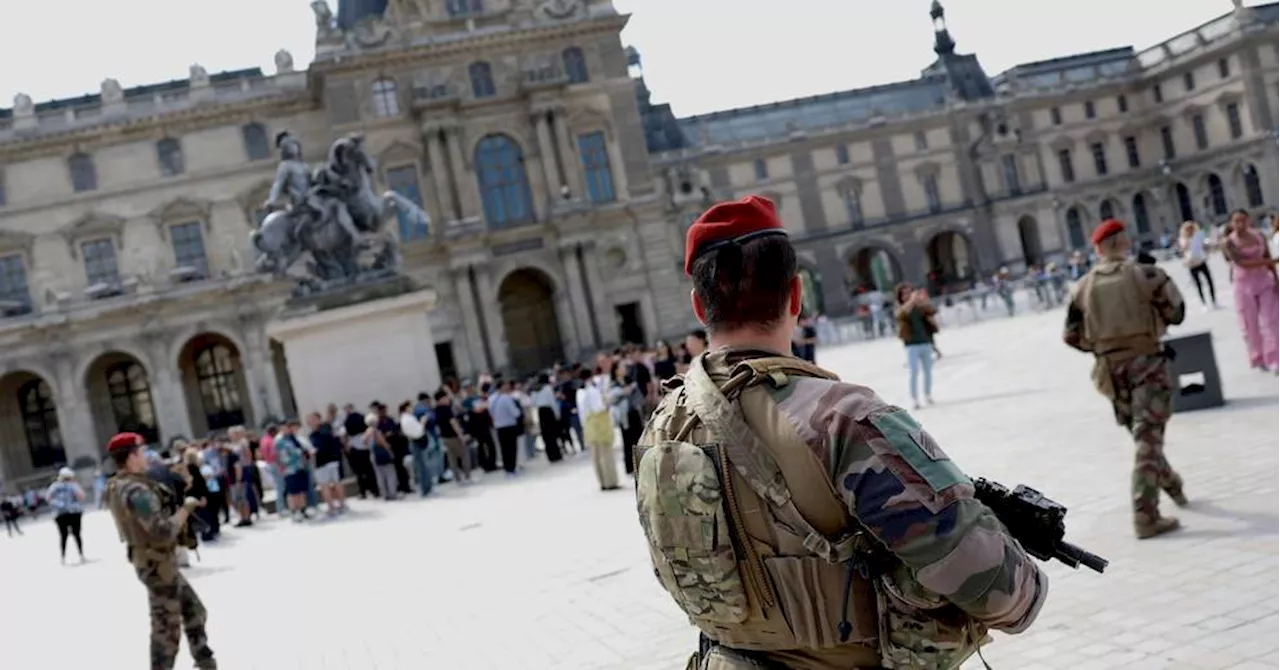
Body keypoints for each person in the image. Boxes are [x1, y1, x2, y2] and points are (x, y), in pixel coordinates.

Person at [634, 195, 1047, 669]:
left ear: (698, 306)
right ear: (796, 295)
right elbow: (1002, 594)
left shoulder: (664, 422)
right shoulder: (839, 417)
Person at [1064, 219, 1189, 539]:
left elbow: (1071, 335)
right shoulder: (1147, 274)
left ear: (1098, 249)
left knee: (1143, 437)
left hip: (1110, 371)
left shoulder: (1082, 287)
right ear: (1124, 243)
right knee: (1147, 437)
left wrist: (1102, 347)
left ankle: (1172, 483)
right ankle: (1145, 515)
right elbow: (1176, 312)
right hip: (1147, 362)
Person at [103, 433, 216, 670]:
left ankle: (205, 662)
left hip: (156, 562)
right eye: (141, 452)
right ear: (132, 457)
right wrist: (186, 509)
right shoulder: (136, 490)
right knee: (167, 632)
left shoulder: (120, 484)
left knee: (194, 610)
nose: (145, 457)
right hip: (157, 566)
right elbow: (162, 531)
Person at [1222, 209, 1280, 373]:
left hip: (1264, 281)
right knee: (1250, 324)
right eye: (1236, 221)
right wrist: (1271, 261)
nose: (1240, 224)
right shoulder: (1228, 242)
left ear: (1249, 221)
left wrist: (1276, 280)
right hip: (1243, 285)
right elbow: (1241, 263)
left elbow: (1267, 256)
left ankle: (1275, 357)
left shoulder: (1259, 236)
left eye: (1243, 220)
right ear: (1231, 223)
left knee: (1271, 320)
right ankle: (1257, 356)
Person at [896, 285, 939, 409]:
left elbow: (931, 311)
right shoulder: (902, 308)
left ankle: (927, 394)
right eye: (904, 294)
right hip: (911, 345)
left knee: (928, 371)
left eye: (910, 293)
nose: (908, 296)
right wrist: (912, 300)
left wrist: (923, 300)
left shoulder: (920, 307)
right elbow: (901, 314)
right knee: (914, 372)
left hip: (925, 341)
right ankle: (914, 398)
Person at [576, 367, 619, 491]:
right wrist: (608, 403)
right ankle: (610, 481)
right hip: (599, 423)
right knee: (605, 454)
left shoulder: (580, 392)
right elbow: (599, 407)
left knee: (595, 456)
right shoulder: (592, 391)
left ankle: (602, 481)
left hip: (588, 425)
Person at [307, 412, 347, 515]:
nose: (310, 421)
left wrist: (316, 450)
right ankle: (331, 506)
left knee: (336, 483)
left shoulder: (325, 430)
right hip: (320, 462)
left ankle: (341, 504)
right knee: (324, 485)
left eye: (312, 419)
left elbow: (325, 445)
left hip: (330, 460)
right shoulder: (312, 435)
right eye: (309, 419)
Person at [46, 467, 87, 564]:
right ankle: (81, 555)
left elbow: (48, 498)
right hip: (74, 512)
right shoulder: (73, 485)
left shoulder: (54, 486)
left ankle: (63, 557)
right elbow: (81, 496)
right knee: (77, 534)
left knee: (63, 536)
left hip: (60, 514)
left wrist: (58, 504)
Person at [433, 389, 473, 483]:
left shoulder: (436, 410)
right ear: (441, 398)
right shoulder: (446, 409)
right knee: (464, 454)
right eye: (446, 397)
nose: (448, 399)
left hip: (444, 437)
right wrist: (461, 435)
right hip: (453, 436)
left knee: (452, 458)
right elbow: (453, 422)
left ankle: (458, 479)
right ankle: (467, 476)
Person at [1178, 221, 1218, 310]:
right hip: (1192, 263)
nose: (1190, 230)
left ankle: (1214, 301)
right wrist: (1188, 241)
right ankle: (1204, 304)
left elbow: (1204, 245)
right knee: (1198, 284)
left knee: (1210, 281)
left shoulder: (1198, 235)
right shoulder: (1183, 238)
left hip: (1201, 261)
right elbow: (1183, 249)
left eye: (1191, 228)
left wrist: (1208, 248)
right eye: (1188, 229)